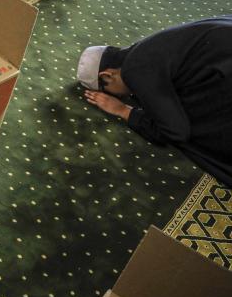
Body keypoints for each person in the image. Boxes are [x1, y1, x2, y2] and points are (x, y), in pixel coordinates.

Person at [78, 16, 232, 185]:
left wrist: (124, 110)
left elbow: (176, 132)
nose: (117, 96)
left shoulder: (134, 71)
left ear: (107, 75)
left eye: (107, 91)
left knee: (197, 127)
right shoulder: (141, 48)